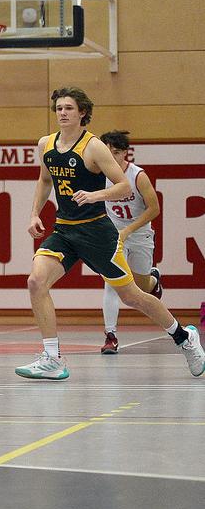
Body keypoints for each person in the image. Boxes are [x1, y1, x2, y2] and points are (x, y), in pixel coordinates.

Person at [17, 87, 204, 380]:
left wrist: (94, 196)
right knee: (35, 282)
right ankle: (52, 359)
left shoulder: (93, 147)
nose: (62, 112)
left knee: (132, 296)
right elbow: (44, 181)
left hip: (97, 232)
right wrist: (33, 213)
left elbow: (123, 186)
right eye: (59, 108)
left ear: (82, 113)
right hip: (64, 230)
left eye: (69, 108)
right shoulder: (46, 144)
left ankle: (184, 337)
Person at [99, 130, 163, 354]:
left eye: (116, 152)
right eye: (107, 152)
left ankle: (154, 281)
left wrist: (129, 229)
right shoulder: (98, 175)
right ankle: (110, 336)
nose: (112, 156)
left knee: (141, 287)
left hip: (139, 234)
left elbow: (154, 209)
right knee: (111, 283)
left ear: (125, 153)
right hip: (113, 236)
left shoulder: (138, 176)